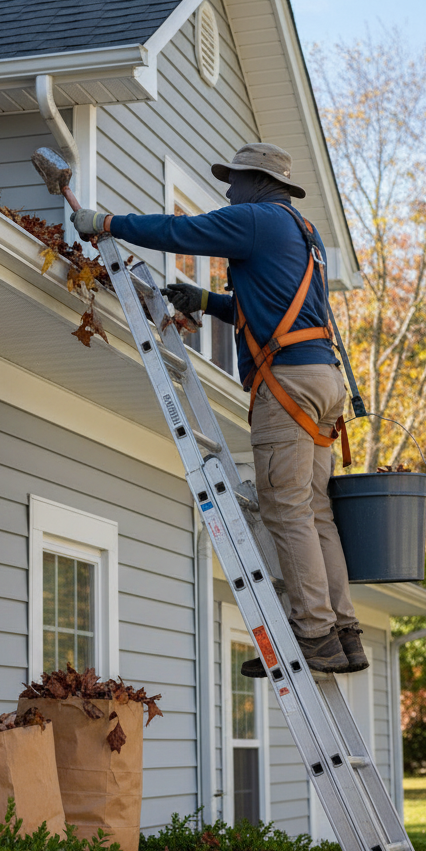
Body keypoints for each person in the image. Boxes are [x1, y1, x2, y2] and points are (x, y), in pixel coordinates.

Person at [70, 142, 368, 675]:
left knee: (286, 509)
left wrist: (107, 222)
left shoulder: (255, 218)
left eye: (234, 180)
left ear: (258, 182)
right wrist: (207, 302)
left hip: (288, 384)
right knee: (315, 511)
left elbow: (180, 231)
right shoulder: (304, 232)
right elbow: (273, 306)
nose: (229, 191)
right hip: (324, 381)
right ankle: (343, 633)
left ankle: (313, 635)